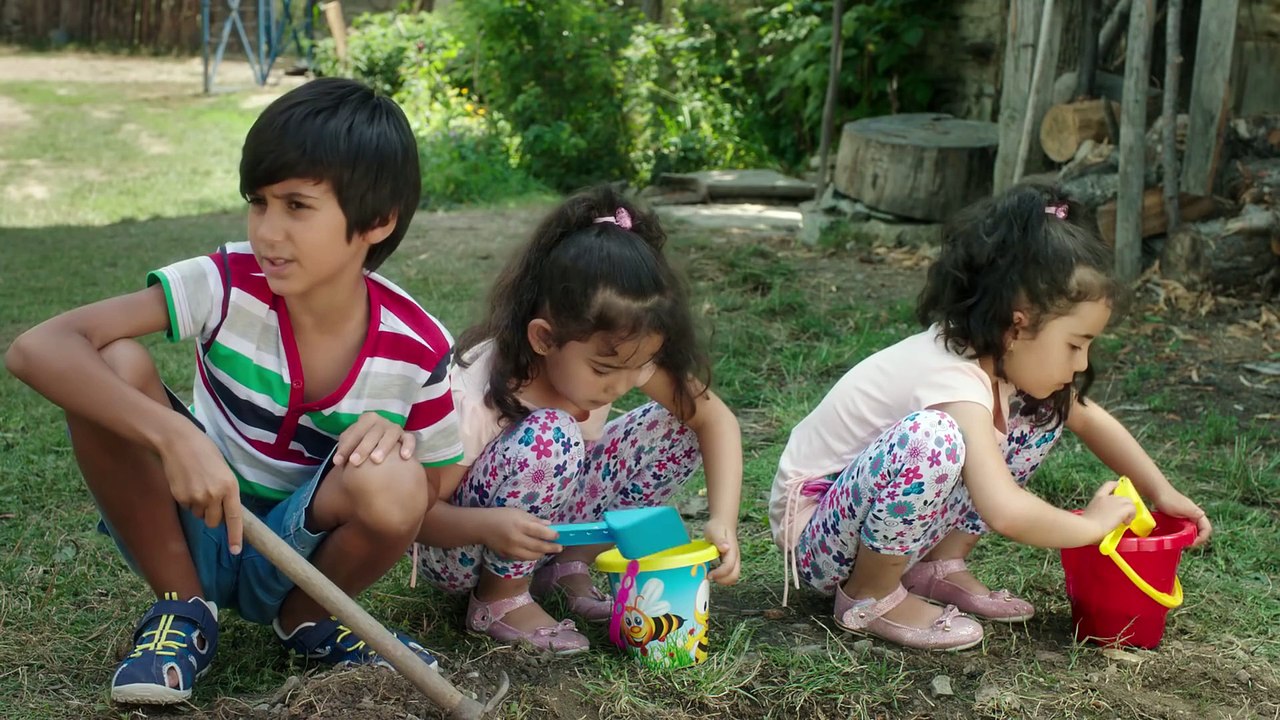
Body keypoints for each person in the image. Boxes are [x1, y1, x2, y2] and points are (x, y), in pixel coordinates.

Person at [4, 78, 463, 704]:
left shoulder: (418, 345)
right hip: (190, 518)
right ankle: (181, 609)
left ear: (376, 222)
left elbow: (433, 488)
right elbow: (39, 348)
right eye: (259, 203)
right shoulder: (225, 282)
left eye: (297, 206)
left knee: (395, 475)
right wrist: (170, 434)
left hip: (300, 549)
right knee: (112, 360)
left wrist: (401, 442)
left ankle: (310, 622)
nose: (269, 232)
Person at [769, 185, 1213, 651]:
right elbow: (1005, 510)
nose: (1082, 363)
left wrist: (1161, 492)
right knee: (932, 439)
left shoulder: (997, 360)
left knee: (1046, 411)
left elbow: (1090, 418)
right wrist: (1091, 526)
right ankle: (869, 593)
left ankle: (938, 565)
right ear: (1017, 325)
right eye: (1074, 344)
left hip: (869, 525)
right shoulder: (952, 381)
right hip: (821, 542)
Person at [413, 185, 743, 654]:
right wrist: (490, 527)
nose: (625, 384)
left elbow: (715, 419)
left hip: (547, 525)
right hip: (464, 550)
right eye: (606, 370)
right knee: (554, 435)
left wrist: (723, 520)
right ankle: (499, 600)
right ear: (544, 338)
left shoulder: (617, 354)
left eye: (640, 365)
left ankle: (569, 568)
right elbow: (419, 516)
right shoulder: (479, 390)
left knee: (676, 428)